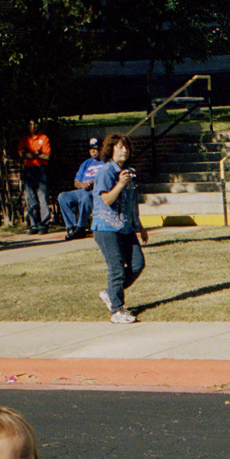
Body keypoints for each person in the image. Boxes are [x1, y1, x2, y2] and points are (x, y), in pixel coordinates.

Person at [91, 135, 146, 323]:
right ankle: (117, 311)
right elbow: (106, 200)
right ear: (111, 150)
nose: (124, 150)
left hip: (125, 226)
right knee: (117, 269)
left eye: (127, 148)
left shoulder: (129, 172)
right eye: (120, 147)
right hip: (106, 227)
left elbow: (131, 201)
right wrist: (120, 184)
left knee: (137, 263)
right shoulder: (106, 172)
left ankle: (110, 293)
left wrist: (139, 225)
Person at [59, 136, 104, 238]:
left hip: (96, 190)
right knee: (63, 197)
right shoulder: (86, 163)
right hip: (82, 189)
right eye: (91, 148)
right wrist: (82, 185)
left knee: (86, 198)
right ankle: (74, 227)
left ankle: (81, 227)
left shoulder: (106, 162)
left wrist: (93, 182)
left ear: (101, 149)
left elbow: (107, 179)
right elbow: (76, 182)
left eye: (95, 148)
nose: (93, 151)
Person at [17, 119, 53, 233]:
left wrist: (30, 154)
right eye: (30, 124)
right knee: (30, 197)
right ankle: (34, 224)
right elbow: (23, 156)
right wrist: (37, 153)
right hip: (28, 169)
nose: (33, 126)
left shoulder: (44, 138)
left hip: (41, 169)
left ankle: (44, 224)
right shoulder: (24, 140)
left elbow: (47, 156)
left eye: (35, 124)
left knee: (42, 197)